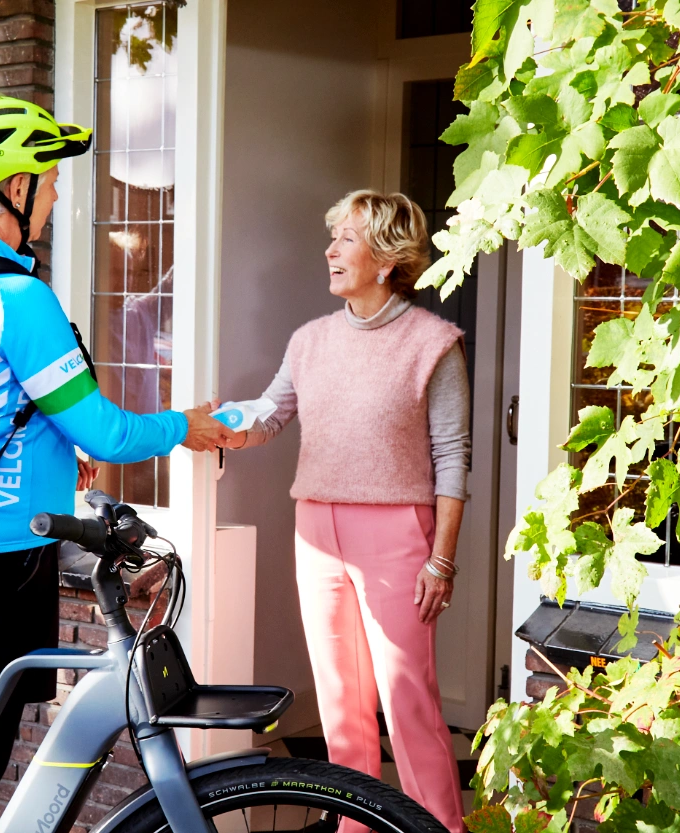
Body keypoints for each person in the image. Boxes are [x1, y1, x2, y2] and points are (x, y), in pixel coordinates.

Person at [0, 95, 232, 833]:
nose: (53, 199)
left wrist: (50, 446)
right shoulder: (17, 296)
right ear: (15, 188)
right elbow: (108, 431)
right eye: (48, 184)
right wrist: (188, 425)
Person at [225, 190, 471, 833]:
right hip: (316, 531)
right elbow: (269, 415)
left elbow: (452, 457)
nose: (330, 251)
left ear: (387, 258)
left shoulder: (432, 342)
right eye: (332, 237)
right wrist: (203, 424)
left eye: (347, 239)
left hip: (398, 535)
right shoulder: (310, 341)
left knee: (407, 700)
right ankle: (358, 827)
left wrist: (441, 559)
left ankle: (439, 827)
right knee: (341, 706)